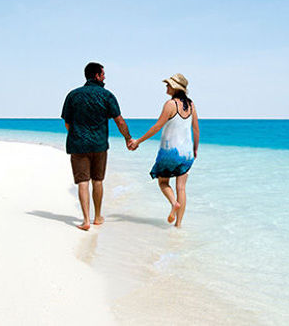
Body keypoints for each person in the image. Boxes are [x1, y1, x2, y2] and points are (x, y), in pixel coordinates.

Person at [61, 62, 133, 231]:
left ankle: (86, 220)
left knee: (83, 182)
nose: (105, 77)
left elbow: (67, 123)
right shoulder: (107, 95)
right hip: (99, 145)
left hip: (78, 145)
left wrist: (77, 134)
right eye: (103, 74)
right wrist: (128, 138)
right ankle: (98, 217)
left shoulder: (73, 95)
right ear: (97, 76)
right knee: (98, 181)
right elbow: (119, 121)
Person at [129, 73, 199, 227]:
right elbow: (196, 130)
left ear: (175, 87)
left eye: (168, 85)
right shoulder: (192, 105)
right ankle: (178, 225)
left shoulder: (170, 104)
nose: (166, 87)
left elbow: (157, 127)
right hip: (186, 154)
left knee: (163, 182)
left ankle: (174, 203)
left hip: (170, 153)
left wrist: (138, 141)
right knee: (181, 187)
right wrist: (195, 150)